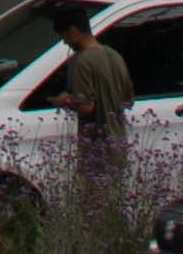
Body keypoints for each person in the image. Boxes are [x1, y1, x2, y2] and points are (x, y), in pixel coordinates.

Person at [54, 20, 133, 215]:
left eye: (64, 37)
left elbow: (86, 106)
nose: (65, 43)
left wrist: (65, 100)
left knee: (94, 209)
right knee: (114, 207)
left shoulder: (81, 61)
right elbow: (128, 100)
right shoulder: (114, 56)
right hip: (118, 142)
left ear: (73, 30)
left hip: (96, 147)